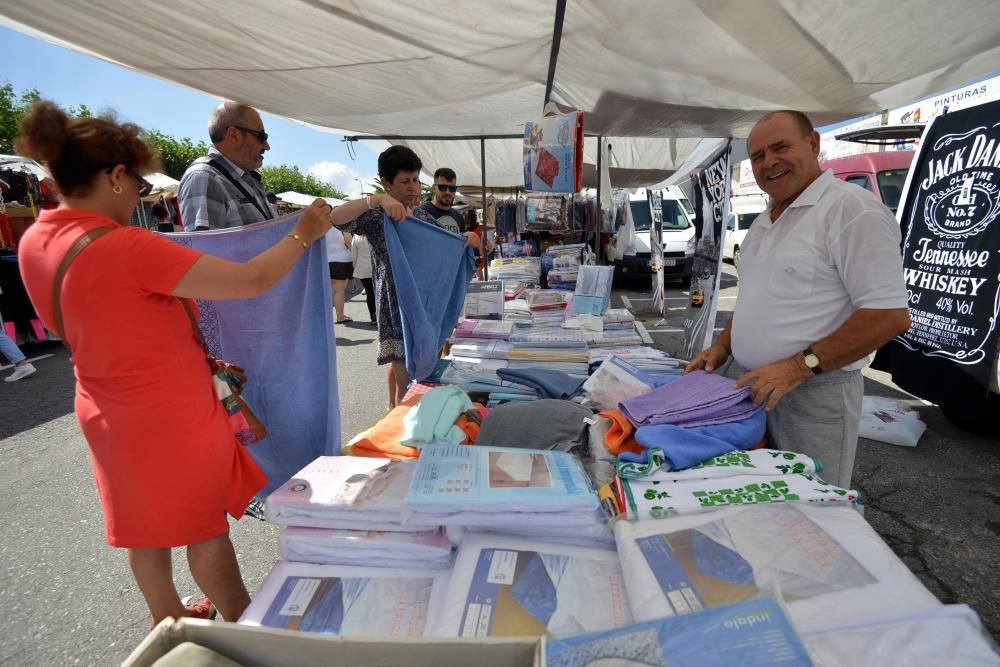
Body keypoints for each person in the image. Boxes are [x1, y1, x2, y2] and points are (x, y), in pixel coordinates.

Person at [14, 100, 406, 627]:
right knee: (204, 531)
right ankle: (248, 628)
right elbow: (249, 282)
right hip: (168, 409)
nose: (140, 196)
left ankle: (167, 618)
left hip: (102, 406)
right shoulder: (126, 246)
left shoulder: (35, 240)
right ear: (112, 176)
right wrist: (303, 234)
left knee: (143, 527)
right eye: (137, 184)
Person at [685, 110, 910, 489]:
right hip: (754, 387)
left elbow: (889, 315)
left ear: (814, 144)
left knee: (813, 508)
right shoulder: (763, 221)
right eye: (757, 156)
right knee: (757, 500)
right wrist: (721, 348)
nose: (769, 162)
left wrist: (796, 367)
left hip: (812, 393)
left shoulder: (852, 210)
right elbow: (756, 298)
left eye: (780, 147)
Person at [335, 147, 474, 408]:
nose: (413, 188)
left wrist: (467, 241)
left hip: (425, 307)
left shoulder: (422, 217)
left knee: (420, 379)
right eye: (404, 181)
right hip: (396, 310)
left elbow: (443, 252)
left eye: (415, 180)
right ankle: (400, 433)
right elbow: (336, 218)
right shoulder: (377, 217)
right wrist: (376, 200)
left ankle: (396, 419)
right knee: (408, 386)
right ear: (387, 183)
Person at [177, 102, 276, 231]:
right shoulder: (205, 178)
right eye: (262, 137)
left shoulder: (247, 177)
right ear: (234, 135)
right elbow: (205, 248)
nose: (267, 146)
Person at [416, 167, 483, 252]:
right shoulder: (421, 213)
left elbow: (463, 247)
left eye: (452, 188)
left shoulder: (458, 217)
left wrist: (482, 247)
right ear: (434, 188)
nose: (448, 192)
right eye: (443, 187)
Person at [325, 223, 353, 324]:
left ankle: (325, 319)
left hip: (325, 262)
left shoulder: (320, 228)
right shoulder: (342, 227)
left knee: (327, 292)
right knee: (339, 291)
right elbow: (350, 244)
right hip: (342, 261)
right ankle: (340, 316)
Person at [350, 233, 376, 325]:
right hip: (377, 265)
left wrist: (355, 267)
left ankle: (373, 317)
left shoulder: (356, 236)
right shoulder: (376, 231)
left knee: (370, 292)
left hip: (363, 268)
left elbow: (354, 255)